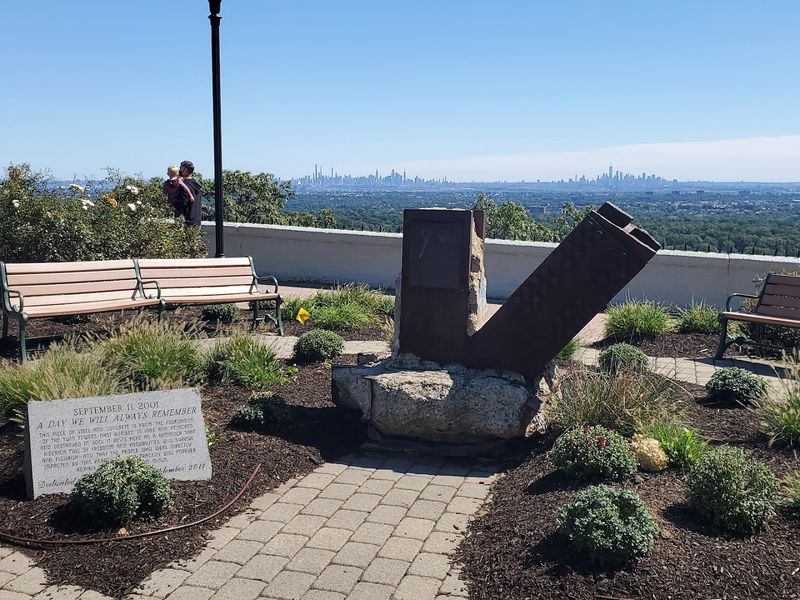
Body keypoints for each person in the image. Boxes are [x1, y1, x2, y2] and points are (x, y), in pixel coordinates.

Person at [179, 160, 203, 226]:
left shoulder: (184, 186)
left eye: (181, 167)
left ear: (185, 170)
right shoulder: (196, 184)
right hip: (197, 220)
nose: (179, 170)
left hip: (187, 221)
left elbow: (182, 204)